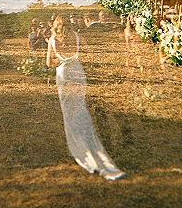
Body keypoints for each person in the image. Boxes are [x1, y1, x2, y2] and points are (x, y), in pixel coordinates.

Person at [46, 14, 125, 181]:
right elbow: (86, 52)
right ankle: (89, 147)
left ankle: (79, 149)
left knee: (69, 113)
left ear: (56, 25)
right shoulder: (76, 36)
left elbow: (49, 63)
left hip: (64, 74)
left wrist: (61, 60)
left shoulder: (52, 40)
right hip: (77, 71)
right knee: (80, 109)